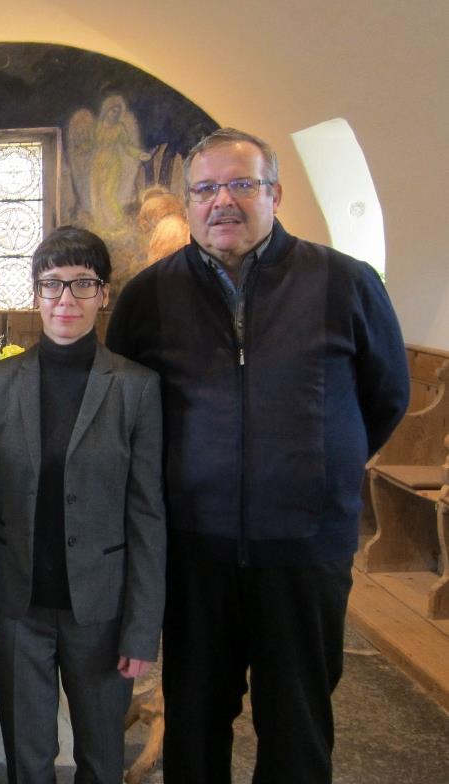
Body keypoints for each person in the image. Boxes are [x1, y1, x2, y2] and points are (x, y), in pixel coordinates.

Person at [106, 127, 409, 784]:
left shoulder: (343, 284)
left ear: (274, 192)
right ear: (188, 203)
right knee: (195, 725)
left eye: (241, 184)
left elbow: (386, 397)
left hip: (302, 553)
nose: (223, 201)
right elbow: (124, 413)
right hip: (193, 555)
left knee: (297, 728)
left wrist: (319, 474)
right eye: (207, 188)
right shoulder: (149, 297)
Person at [0, 226, 165, 784]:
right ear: (35, 294)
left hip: (101, 610)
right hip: (17, 605)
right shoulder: (2, 383)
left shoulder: (136, 388)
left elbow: (148, 517)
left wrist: (143, 628)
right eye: (51, 285)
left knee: (100, 758)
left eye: (82, 284)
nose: (65, 300)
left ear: (103, 294)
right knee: (28, 756)